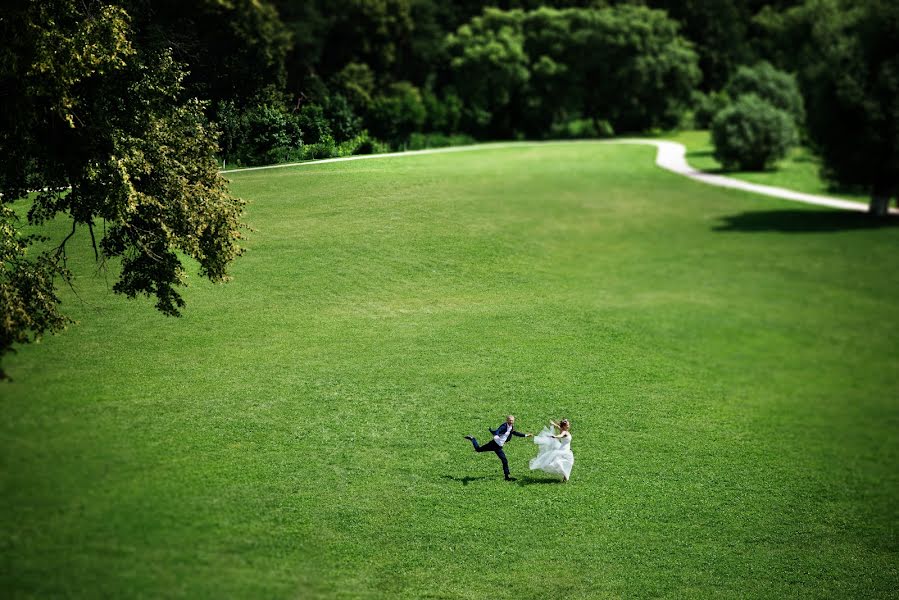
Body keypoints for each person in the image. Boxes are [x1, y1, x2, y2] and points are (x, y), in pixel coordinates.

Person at [465, 415, 533, 481]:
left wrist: (526, 435)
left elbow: (515, 433)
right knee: (478, 450)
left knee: (504, 461)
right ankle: (472, 438)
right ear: (507, 420)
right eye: (510, 420)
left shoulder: (511, 427)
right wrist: (496, 435)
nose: (511, 421)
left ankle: (507, 477)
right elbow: (498, 430)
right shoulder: (504, 426)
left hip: (499, 447)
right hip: (493, 444)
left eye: (512, 420)